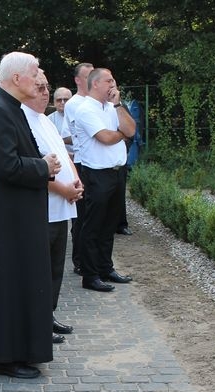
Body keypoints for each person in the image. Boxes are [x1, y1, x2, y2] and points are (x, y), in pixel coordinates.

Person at [0, 52, 60, 379]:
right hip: (8, 219)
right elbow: (6, 166)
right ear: (17, 78)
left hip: (17, 214)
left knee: (21, 282)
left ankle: (19, 350)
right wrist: (43, 166)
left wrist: (41, 164)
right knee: (9, 284)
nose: (39, 79)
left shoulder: (9, 108)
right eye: (35, 73)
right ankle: (4, 357)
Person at [22, 71, 83, 345]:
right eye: (39, 87)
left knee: (56, 266)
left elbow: (63, 155)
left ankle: (49, 314)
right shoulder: (24, 121)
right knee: (40, 269)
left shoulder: (45, 120)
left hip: (62, 207)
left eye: (47, 87)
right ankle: (37, 321)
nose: (45, 92)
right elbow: (36, 168)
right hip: (44, 207)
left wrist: (76, 179)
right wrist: (64, 189)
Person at [74, 67, 136, 292]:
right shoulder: (85, 109)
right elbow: (106, 137)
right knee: (93, 226)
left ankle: (105, 268)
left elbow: (132, 130)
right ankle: (90, 275)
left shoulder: (112, 107)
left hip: (117, 172)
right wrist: (122, 134)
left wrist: (118, 106)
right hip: (97, 174)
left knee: (109, 225)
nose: (113, 84)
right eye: (109, 81)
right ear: (95, 84)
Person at [61, 63, 93, 275]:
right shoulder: (74, 104)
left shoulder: (99, 102)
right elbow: (69, 135)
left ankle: (95, 260)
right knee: (81, 216)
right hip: (82, 162)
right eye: (88, 76)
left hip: (96, 164)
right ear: (78, 80)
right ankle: (80, 260)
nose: (93, 79)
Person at [47, 87, 73, 158]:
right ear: (54, 102)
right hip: (60, 156)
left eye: (66, 100)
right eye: (59, 100)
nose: (62, 102)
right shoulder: (48, 120)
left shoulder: (80, 116)